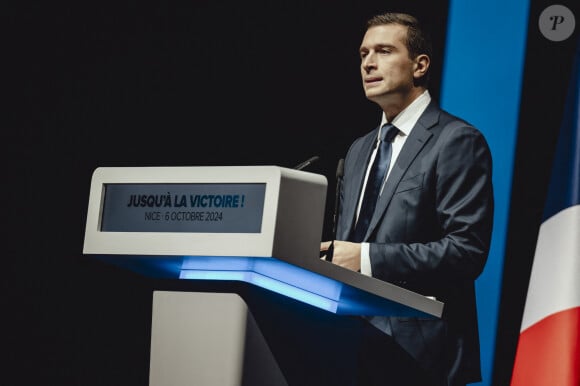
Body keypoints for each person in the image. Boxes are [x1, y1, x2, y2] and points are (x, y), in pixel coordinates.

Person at [320, 12, 494, 386]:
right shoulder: (357, 150)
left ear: (420, 65)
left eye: (383, 51)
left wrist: (364, 257)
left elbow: (466, 252)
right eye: (364, 53)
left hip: (421, 358)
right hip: (346, 345)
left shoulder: (456, 141)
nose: (368, 62)